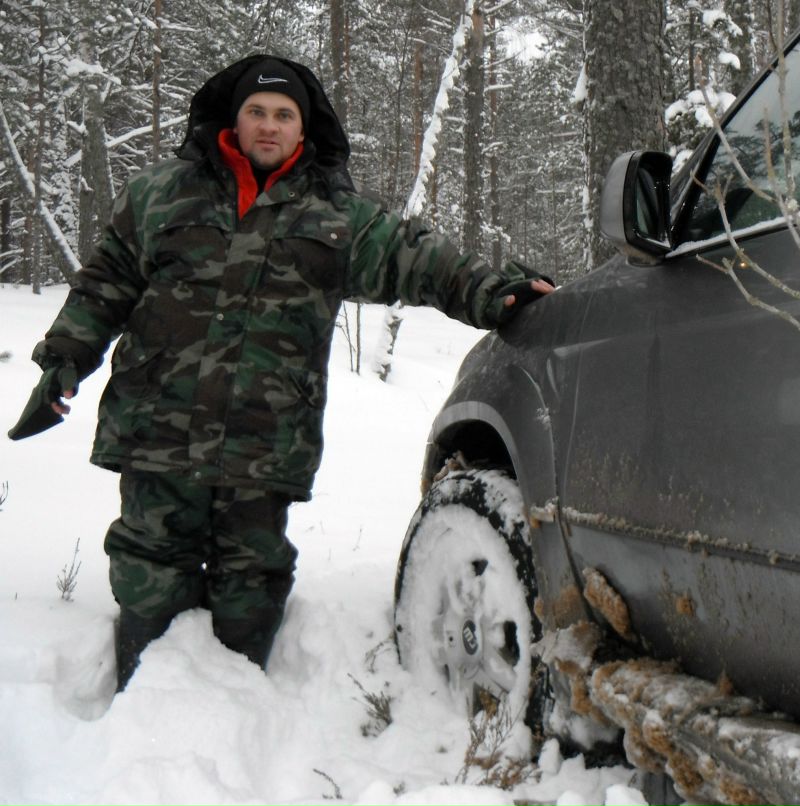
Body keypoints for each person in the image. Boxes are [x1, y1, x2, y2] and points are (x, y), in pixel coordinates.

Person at [8, 55, 554, 690]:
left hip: (264, 444)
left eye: (284, 115)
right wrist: (63, 362)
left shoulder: (337, 216)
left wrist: (494, 293)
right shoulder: (160, 194)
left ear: (304, 128)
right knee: (147, 574)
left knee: (252, 591)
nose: (269, 126)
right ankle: (139, 716)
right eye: (257, 112)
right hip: (157, 432)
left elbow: (419, 260)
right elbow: (103, 287)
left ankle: (238, 724)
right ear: (233, 121)